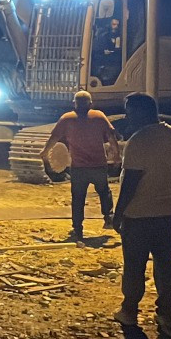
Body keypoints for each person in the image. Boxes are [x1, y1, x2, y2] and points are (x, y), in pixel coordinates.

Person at [112, 92, 171, 330]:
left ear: (142, 111)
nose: (127, 116)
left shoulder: (138, 141)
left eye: (130, 110)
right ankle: (167, 312)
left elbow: (130, 182)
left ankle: (130, 310)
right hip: (167, 213)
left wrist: (118, 213)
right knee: (166, 264)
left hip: (138, 215)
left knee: (134, 265)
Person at [41, 91, 121, 242]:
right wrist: (116, 155)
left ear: (74, 104)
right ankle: (108, 217)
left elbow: (54, 137)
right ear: (91, 104)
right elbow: (111, 136)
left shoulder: (67, 118)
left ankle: (77, 229)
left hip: (79, 167)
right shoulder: (99, 116)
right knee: (104, 191)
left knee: (78, 198)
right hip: (98, 165)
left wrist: (45, 152)